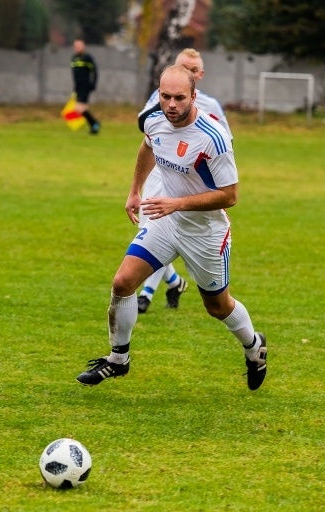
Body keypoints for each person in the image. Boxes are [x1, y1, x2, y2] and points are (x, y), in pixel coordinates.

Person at [77, 65, 267, 390]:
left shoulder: (214, 139)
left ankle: (254, 345)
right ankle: (118, 359)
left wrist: (176, 203)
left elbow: (230, 196)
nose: (171, 105)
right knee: (123, 282)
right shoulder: (154, 119)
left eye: (179, 98)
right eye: (165, 96)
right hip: (166, 223)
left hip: (205, 233)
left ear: (194, 96)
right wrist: (135, 190)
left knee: (217, 306)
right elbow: (148, 146)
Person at [134, 48, 232, 314]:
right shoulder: (161, 98)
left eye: (192, 70)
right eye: (182, 67)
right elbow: (144, 124)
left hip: (191, 184)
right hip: (159, 174)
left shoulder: (210, 106)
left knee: (164, 233)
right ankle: (164, 286)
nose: (171, 102)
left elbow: (225, 144)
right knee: (150, 234)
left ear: (199, 75)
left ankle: (155, 290)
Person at [71, 39, 101, 134]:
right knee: (81, 108)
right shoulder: (74, 58)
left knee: (79, 108)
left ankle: (94, 123)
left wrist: (93, 84)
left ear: (83, 46)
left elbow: (95, 71)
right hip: (78, 87)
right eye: (76, 46)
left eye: (79, 46)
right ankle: (94, 125)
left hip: (86, 86)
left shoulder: (87, 57)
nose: (78, 48)